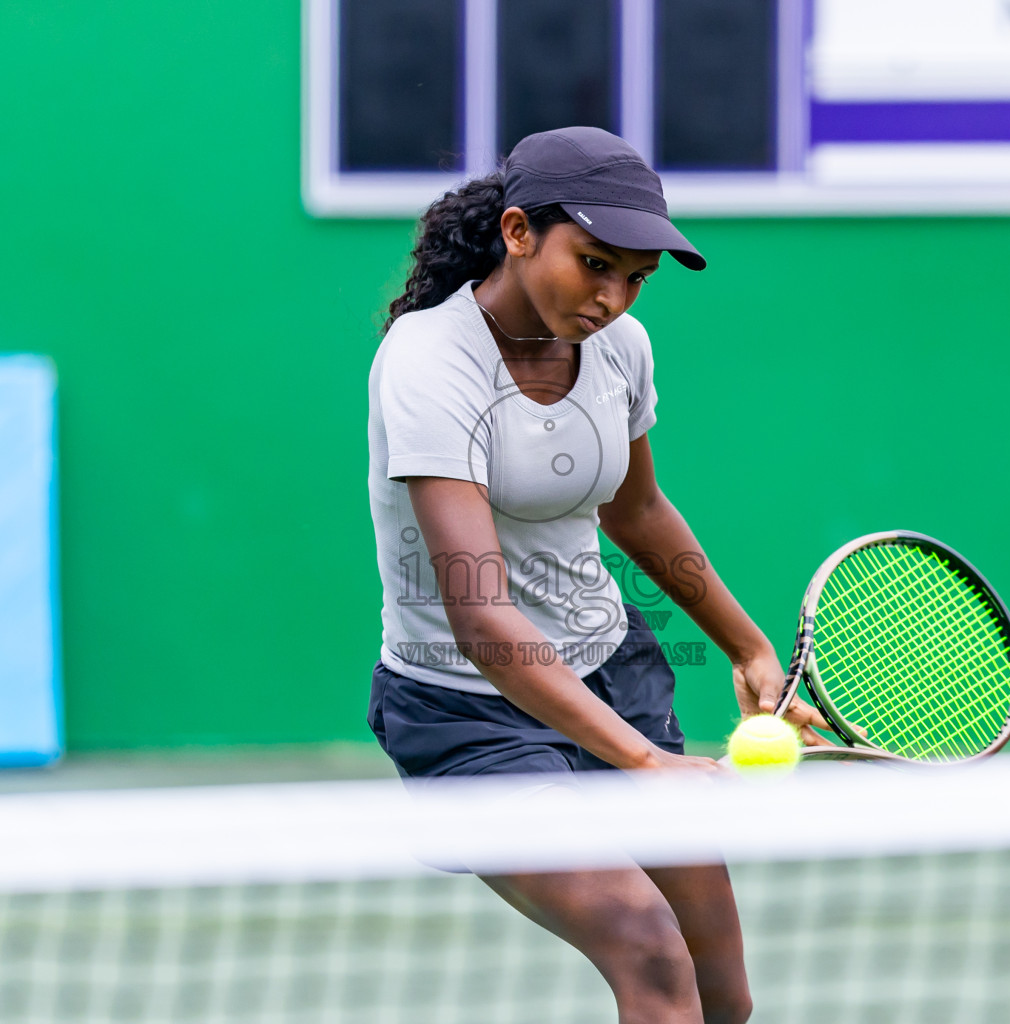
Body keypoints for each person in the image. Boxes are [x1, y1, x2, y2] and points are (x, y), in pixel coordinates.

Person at [365, 126, 831, 1024]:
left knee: (715, 962)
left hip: (613, 671)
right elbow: (479, 614)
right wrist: (647, 762)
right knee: (648, 947)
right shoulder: (429, 360)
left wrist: (749, 649)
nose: (612, 298)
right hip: (469, 719)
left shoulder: (621, 348)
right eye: (594, 264)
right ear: (517, 232)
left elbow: (637, 509)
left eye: (636, 278)